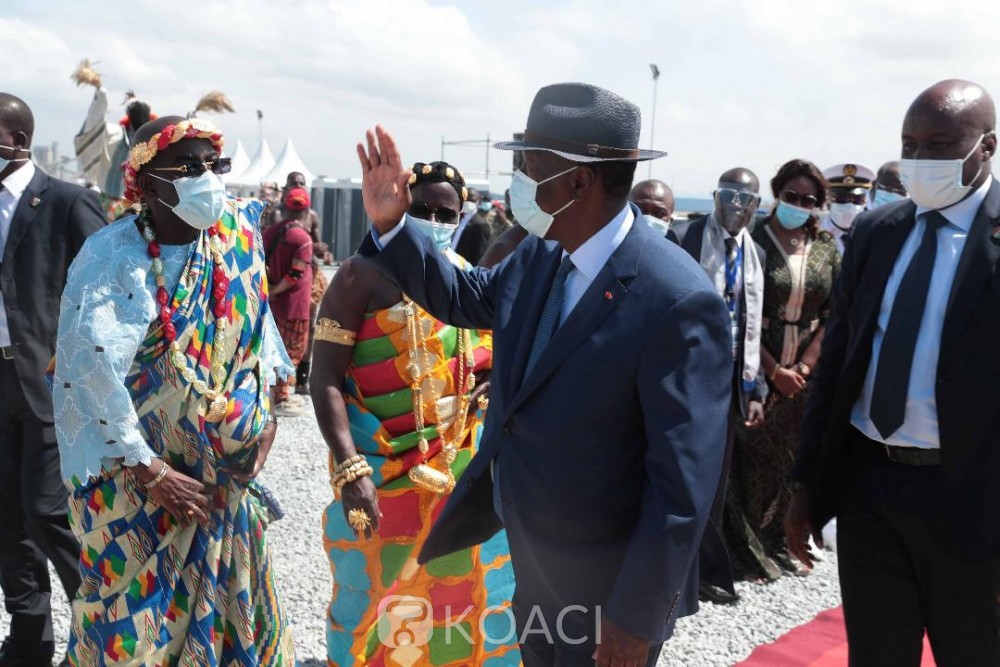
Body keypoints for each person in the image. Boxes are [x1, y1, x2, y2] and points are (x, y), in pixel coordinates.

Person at [355, 82, 732, 667]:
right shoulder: (544, 251)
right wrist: (394, 228)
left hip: (607, 584)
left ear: (578, 181)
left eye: (529, 166)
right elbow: (467, 297)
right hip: (535, 556)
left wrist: (637, 617)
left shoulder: (677, 300)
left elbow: (682, 485)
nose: (518, 180)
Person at [52, 115, 295, 664]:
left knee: (231, 633)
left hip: (221, 490)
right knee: (127, 639)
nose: (207, 178)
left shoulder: (236, 236)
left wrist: (265, 416)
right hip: (138, 490)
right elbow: (86, 373)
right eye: (188, 168)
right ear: (147, 183)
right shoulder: (112, 257)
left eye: (213, 165)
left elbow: (258, 326)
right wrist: (153, 472)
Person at [786, 79, 1000, 666]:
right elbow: (837, 365)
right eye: (910, 144)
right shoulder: (878, 233)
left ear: (986, 147)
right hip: (871, 488)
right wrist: (805, 484)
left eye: (939, 144)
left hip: (974, 500)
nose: (920, 158)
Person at [310, 159, 518, 666]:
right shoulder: (359, 275)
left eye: (446, 215)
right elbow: (324, 378)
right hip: (379, 476)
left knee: (461, 600)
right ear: (401, 207)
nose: (433, 222)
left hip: (459, 476)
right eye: (422, 209)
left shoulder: (465, 278)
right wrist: (351, 470)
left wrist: (490, 376)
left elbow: (490, 349)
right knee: (371, 602)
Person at [0, 93, 104, 666]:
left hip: (50, 383)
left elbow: (107, 288)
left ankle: (96, 631)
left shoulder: (67, 202)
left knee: (46, 512)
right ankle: (29, 639)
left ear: (16, 140)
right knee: (7, 519)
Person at [725, 159, 840, 581]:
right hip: (758, 368)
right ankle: (747, 551)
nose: (799, 205)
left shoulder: (826, 247)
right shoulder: (753, 239)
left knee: (794, 459)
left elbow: (835, 314)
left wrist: (804, 367)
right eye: (792, 196)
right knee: (752, 461)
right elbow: (739, 311)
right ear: (777, 194)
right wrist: (774, 372)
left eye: (809, 200)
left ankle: (782, 543)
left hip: (807, 373)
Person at [673, 168, 768, 604]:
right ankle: (671, 568)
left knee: (715, 479)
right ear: (714, 197)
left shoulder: (755, 254)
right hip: (685, 379)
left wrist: (755, 388)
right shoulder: (686, 239)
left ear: (756, 207)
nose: (736, 206)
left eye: (746, 199)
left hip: (730, 384)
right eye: (728, 196)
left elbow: (751, 326)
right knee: (680, 474)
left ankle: (701, 572)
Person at [264, 186, 314, 416]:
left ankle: (271, 395)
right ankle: (281, 398)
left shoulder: (271, 232)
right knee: (291, 351)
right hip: (294, 305)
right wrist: (277, 289)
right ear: (307, 211)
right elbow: (295, 273)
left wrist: (269, 288)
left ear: (284, 208)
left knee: (274, 348)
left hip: (273, 305)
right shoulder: (303, 238)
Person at [821, 163, 875, 254]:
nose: (849, 205)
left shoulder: (873, 235)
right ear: (828, 199)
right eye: (842, 199)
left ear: (865, 200)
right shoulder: (817, 235)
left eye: (857, 199)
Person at [452, 187, 495, 265]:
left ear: (478, 202)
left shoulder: (481, 225)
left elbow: (480, 254)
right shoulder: (455, 218)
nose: (468, 203)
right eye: (466, 200)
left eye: (472, 200)